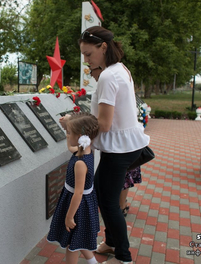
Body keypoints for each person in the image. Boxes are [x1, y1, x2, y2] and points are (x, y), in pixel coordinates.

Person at [62, 26, 150, 263]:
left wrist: (72, 123)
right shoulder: (118, 69)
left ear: (103, 47)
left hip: (119, 150)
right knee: (104, 196)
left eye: (89, 54)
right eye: (84, 55)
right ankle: (111, 243)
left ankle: (124, 255)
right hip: (126, 146)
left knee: (109, 203)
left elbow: (104, 123)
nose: (86, 60)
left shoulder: (110, 76)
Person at [47, 112, 100, 264]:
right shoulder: (86, 150)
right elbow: (71, 146)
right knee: (79, 237)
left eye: (69, 133)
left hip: (77, 206)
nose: (67, 135)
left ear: (80, 137)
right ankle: (92, 262)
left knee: (72, 245)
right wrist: (68, 125)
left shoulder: (80, 163)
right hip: (82, 203)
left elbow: (78, 193)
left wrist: (69, 216)